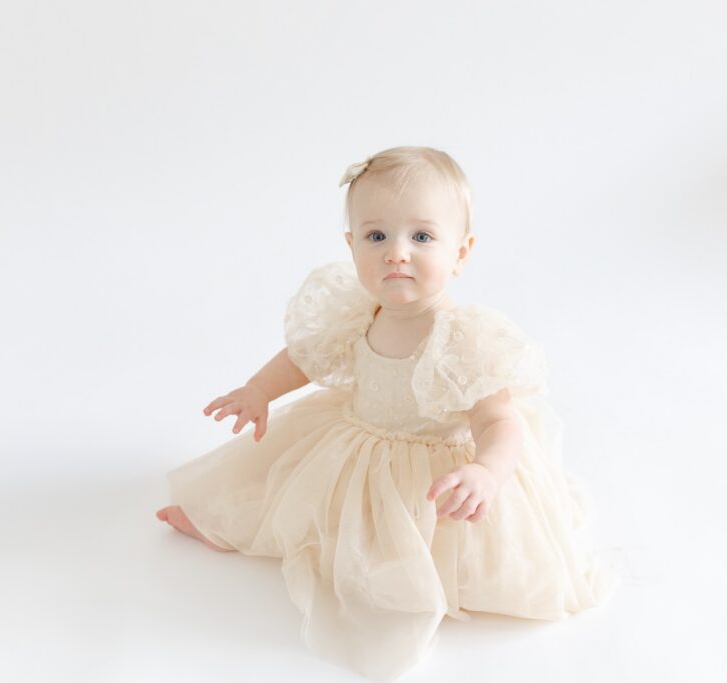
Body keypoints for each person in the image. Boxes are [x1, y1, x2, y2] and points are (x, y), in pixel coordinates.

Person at [156, 146, 620, 680]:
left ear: (461, 253)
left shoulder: (464, 337)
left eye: (421, 237)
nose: (396, 253)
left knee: (420, 559)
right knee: (282, 491)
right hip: (355, 446)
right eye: (376, 236)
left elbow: (500, 421)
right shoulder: (356, 314)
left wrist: (486, 471)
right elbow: (304, 359)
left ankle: (420, 570)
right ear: (352, 246)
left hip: (436, 477)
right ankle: (227, 522)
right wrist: (259, 390)